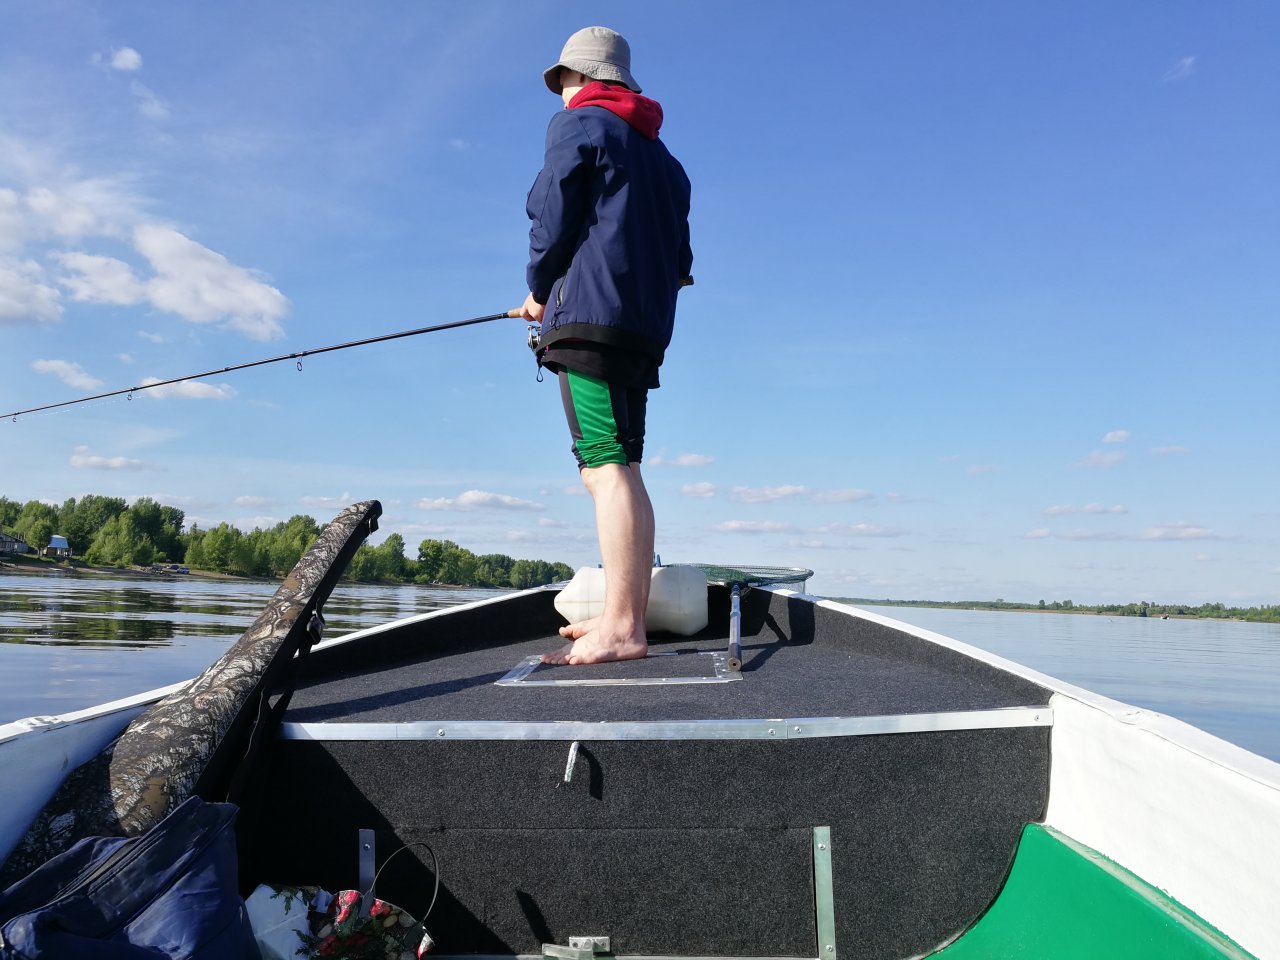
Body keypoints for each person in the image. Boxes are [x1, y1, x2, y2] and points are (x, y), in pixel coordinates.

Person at [514, 26, 692, 666]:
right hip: (643, 330)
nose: (561, 94)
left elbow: (554, 213)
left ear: (583, 77)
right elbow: (681, 262)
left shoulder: (580, 123)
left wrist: (539, 290)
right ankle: (625, 614)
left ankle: (622, 627)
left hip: (590, 323)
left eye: (563, 81)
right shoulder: (666, 161)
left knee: (602, 467)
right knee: (626, 465)